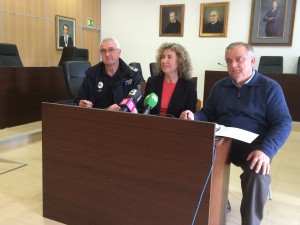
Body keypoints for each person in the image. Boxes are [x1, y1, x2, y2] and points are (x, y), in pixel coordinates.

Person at [180, 42, 292, 225]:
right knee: (193, 156)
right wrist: (194, 116)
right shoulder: (220, 86)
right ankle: (218, 204)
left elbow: (283, 122)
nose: (233, 65)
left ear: (252, 61)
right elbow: (208, 113)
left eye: (239, 60)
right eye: (229, 61)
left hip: (254, 145)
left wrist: (266, 151)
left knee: (257, 173)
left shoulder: (270, 88)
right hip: (222, 140)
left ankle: (251, 222)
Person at [76, 37, 142, 110]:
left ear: (119, 52)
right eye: (103, 51)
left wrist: (122, 108)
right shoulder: (92, 74)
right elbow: (78, 99)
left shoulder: (132, 75)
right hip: (97, 117)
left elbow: (139, 104)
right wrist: (80, 103)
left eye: (111, 50)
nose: (107, 54)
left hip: (123, 118)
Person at [141, 42, 197, 118]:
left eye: (169, 57)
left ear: (180, 61)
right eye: (163, 57)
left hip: (176, 128)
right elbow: (143, 108)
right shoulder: (152, 81)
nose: (164, 61)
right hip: (152, 126)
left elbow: (190, 114)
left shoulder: (189, 85)